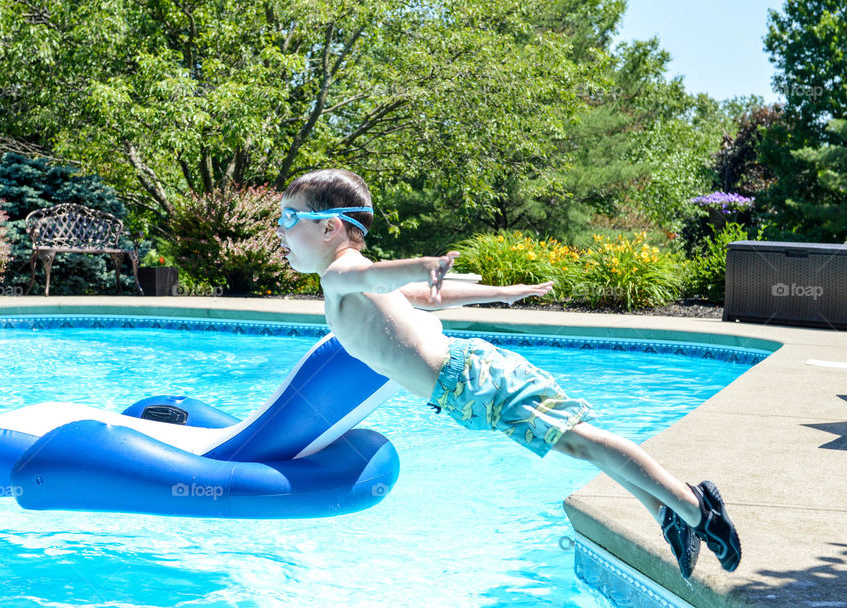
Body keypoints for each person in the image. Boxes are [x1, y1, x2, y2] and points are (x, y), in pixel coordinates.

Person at [276, 168, 741, 579]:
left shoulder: (344, 272)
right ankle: (669, 514)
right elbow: (427, 296)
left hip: (472, 379)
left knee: (580, 441)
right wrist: (503, 293)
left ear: (329, 226)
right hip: (465, 390)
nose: (280, 232)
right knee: (577, 444)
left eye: (288, 219)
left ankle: (696, 507)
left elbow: (379, 277)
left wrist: (422, 264)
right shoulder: (347, 277)